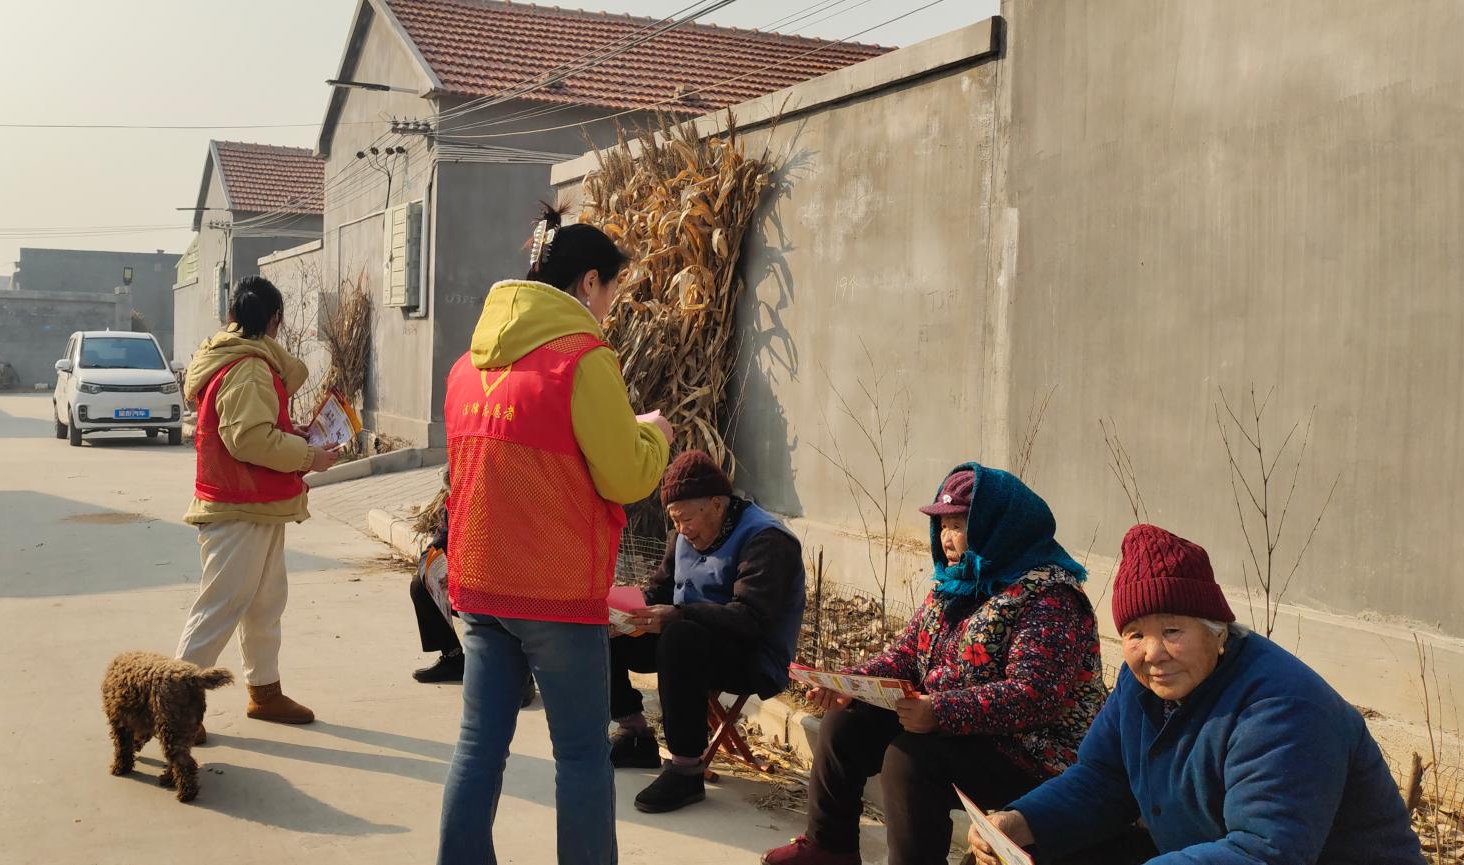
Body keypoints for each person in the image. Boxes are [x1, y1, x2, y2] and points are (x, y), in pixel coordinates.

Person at [436, 206, 672, 865]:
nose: (610, 307)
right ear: (590, 282)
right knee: (581, 754)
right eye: (612, 290)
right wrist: (655, 436)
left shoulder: (468, 365)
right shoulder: (582, 360)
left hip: (481, 585)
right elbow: (624, 475)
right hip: (556, 594)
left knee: (478, 746)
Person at [968, 524, 1424, 865]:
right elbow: (1103, 780)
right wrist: (1021, 821)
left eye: (1172, 631)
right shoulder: (1140, 683)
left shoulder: (1281, 708)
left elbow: (1264, 852)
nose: (1153, 653)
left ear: (1217, 631)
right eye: (1135, 634)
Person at [763, 464, 1108, 865]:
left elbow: (1034, 696)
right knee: (846, 721)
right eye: (942, 525)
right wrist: (849, 683)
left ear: (997, 527)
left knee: (910, 760)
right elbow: (908, 654)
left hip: (1032, 752)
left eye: (958, 525)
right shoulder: (956, 585)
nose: (946, 537)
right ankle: (829, 847)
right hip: (961, 727)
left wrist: (941, 712)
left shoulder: (1049, 596)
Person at [174, 276, 342, 727]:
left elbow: (254, 429)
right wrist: (308, 455)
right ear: (275, 320)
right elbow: (248, 439)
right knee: (221, 607)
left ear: (231, 315)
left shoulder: (238, 360)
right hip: (239, 507)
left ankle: (264, 693)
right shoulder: (249, 367)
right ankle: (175, 706)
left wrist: (293, 435)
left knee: (264, 605)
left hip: (254, 505)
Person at [608, 449, 805, 814]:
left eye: (686, 519)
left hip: (751, 655)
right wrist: (627, 613)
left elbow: (751, 619)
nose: (682, 530)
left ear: (716, 504)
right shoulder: (682, 537)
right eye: (675, 521)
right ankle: (635, 734)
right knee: (608, 631)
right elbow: (660, 592)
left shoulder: (767, 540)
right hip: (686, 642)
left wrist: (679, 615)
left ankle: (687, 770)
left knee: (679, 637)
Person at [410, 483, 537, 708]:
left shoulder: (504, 506)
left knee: (507, 605)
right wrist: (431, 569)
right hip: (467, 586)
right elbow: (436, 546)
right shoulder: (456, 505)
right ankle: (453, 657)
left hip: (506, 587)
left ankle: (523, 679)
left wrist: (462, 574)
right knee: (420, 586)